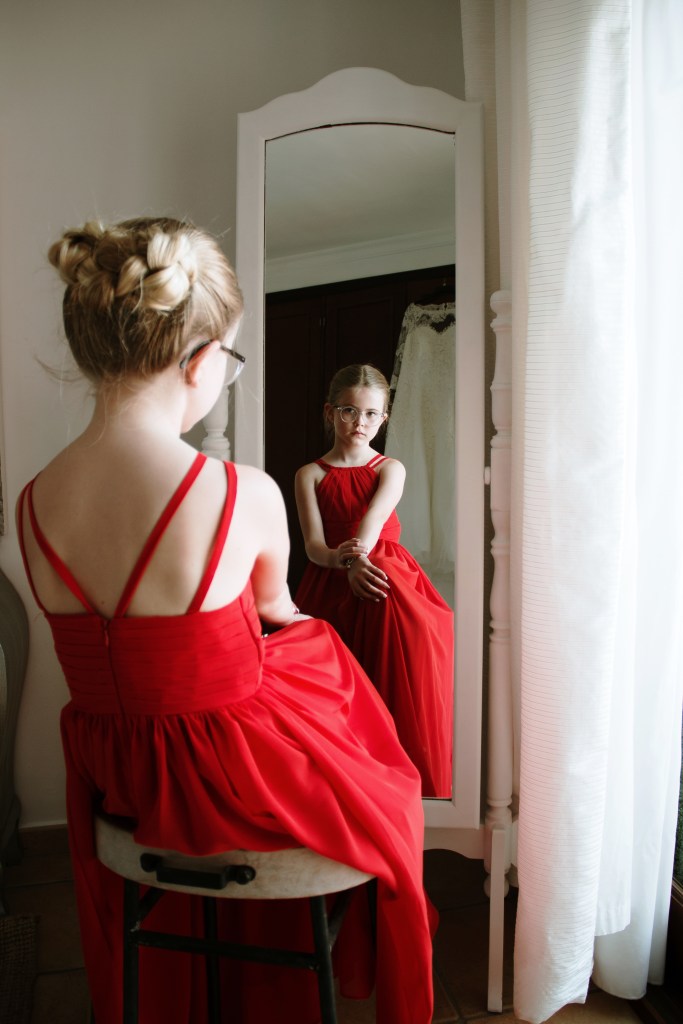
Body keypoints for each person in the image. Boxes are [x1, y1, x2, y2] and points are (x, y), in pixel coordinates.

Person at [15, 219, 435, 1024]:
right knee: (373, 754)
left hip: (113, 769)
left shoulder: (33, 501)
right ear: (202, 360)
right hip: (218, 775)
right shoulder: (243, 491)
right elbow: (279, 614)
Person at [294, 364, 454, 798]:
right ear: (330, 412)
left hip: (383, 576)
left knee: (402, 669)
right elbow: (313, 545)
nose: (359, 423)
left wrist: (357, 559)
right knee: (336, 689)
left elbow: (372, 521)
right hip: (330, 579)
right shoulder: (310, 474)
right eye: (349, 411)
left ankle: (402, 791)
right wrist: (342, 561)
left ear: (383, 418)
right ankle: (344, 792)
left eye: (371, 414)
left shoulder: (391, 468)